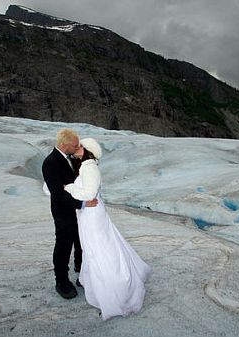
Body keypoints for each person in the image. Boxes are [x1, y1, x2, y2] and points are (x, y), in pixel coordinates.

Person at [64, 138, 151, 320]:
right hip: (89, 213)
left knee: (100, 249)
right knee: (95, 247)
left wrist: (69, 187)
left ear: (87, 150)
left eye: (80, 146)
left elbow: (88, 194)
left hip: (92, 215)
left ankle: (116, 289)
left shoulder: (89, 168)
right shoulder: (85, 166)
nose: (76, 147)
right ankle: (97, 283)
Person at [42, 128, 97, 299]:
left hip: (79, 211)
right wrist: (81, 203)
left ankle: (81, 271)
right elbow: (58, 193)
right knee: (64, 244)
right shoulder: (50, 162)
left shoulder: (71, 157)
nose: (78, 147)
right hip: (63, 211)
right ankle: (61, 281)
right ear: (65, 145)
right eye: (75, 145)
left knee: (81, 240)